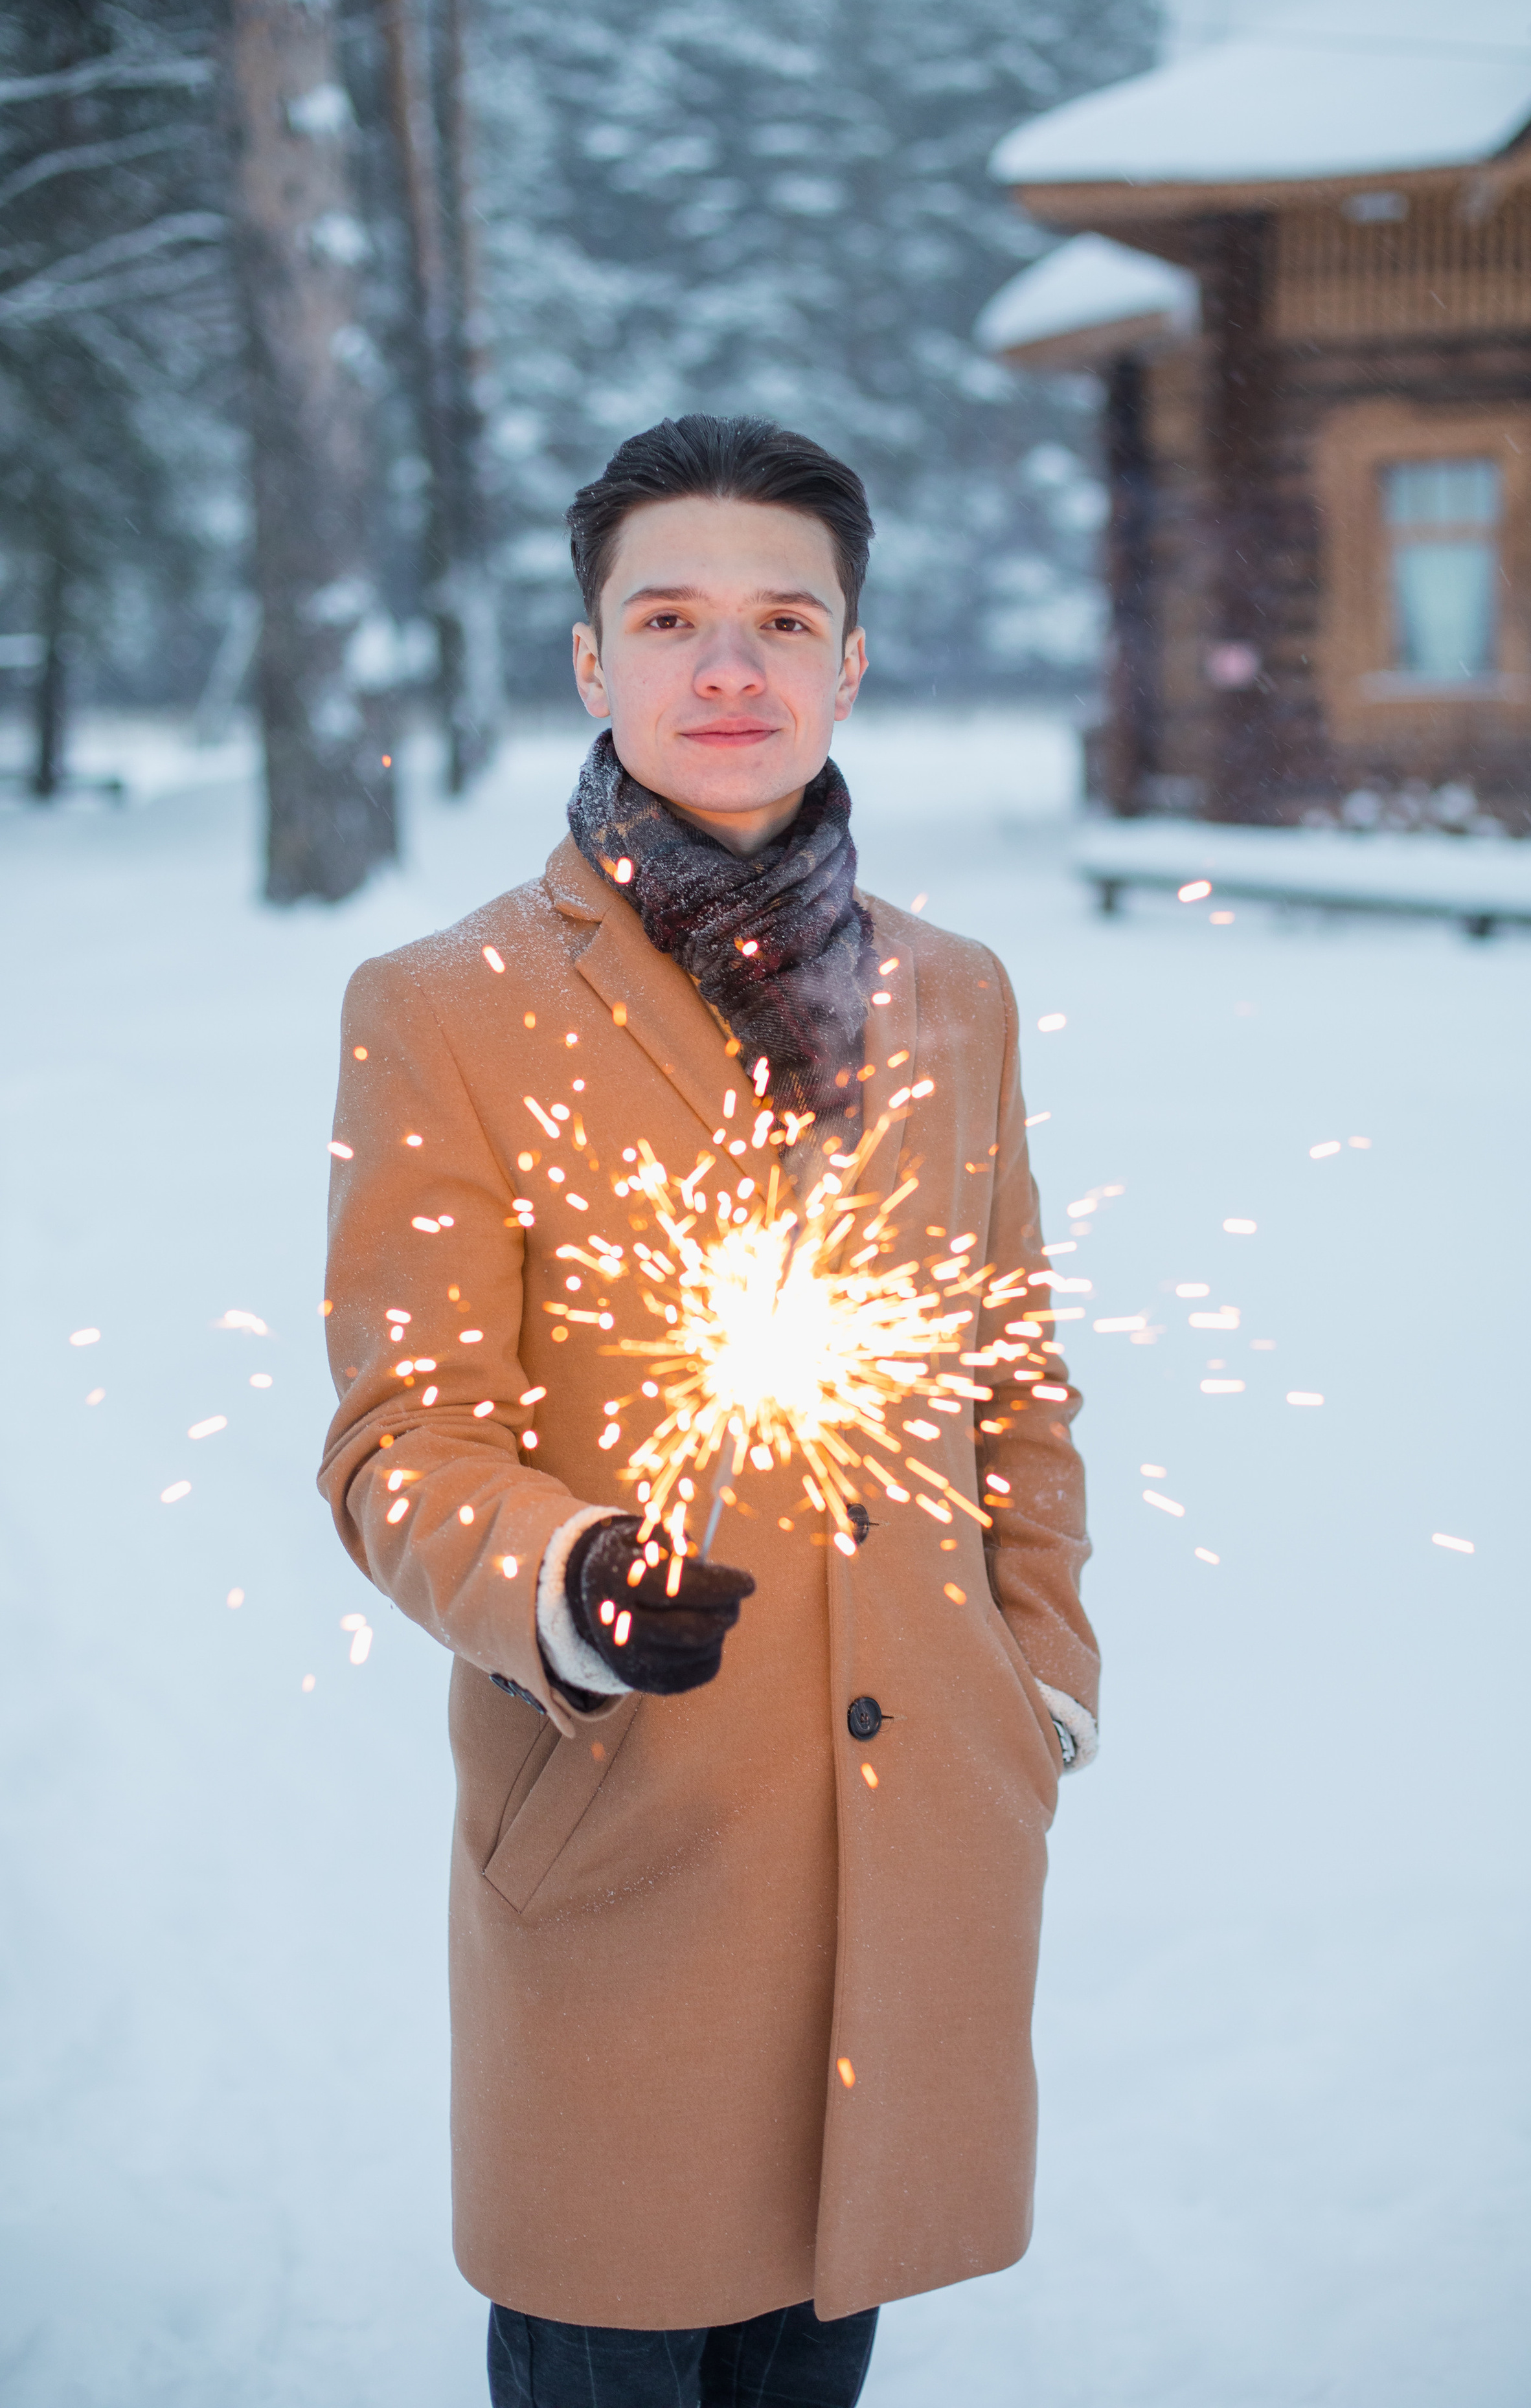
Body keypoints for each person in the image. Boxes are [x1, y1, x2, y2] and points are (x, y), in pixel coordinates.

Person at [318, 414, 1098, 2407]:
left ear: (852, 661)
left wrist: (1045, 1669)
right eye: (671, 618)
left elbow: (1013, 1359)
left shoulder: (961, 994)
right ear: (592, 662)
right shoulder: (446, 1005)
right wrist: (568, 1582)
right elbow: (399, 1440)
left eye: (782, 619)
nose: (728, 669)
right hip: (630, 1833)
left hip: (919, 1838)